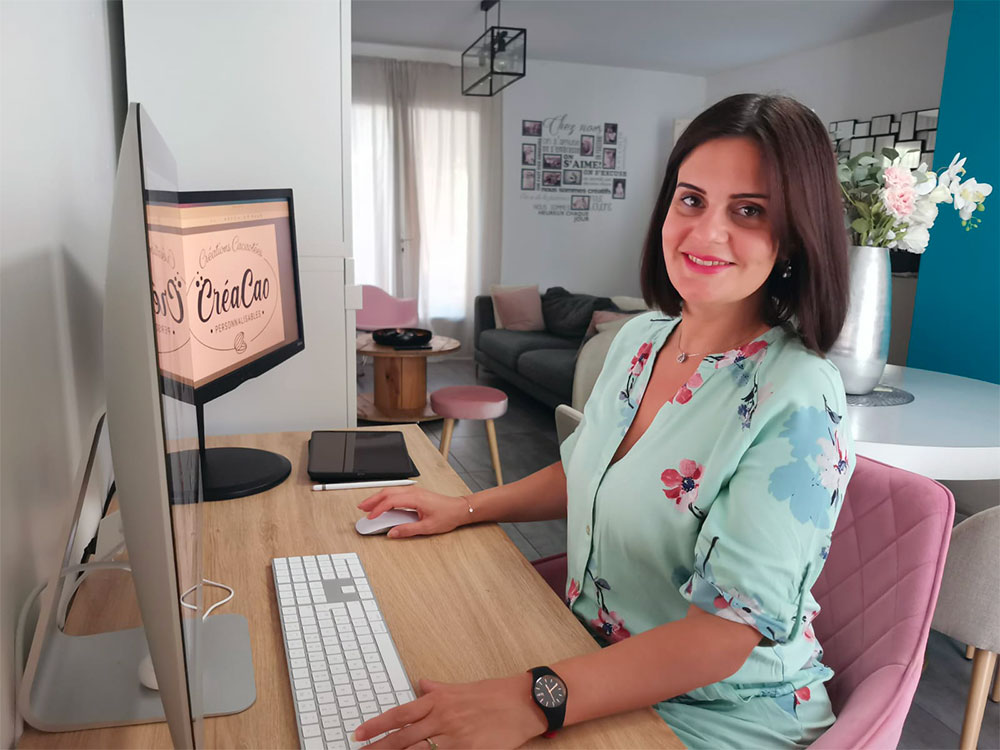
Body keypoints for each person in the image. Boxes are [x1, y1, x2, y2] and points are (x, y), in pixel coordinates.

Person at [353, 93, 855, 750]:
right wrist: (465, 507)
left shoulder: (799, 395)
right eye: (692, 200)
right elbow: (587, 471)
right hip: (590, 658)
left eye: (749, 210)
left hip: (724, 708)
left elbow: (723, 636)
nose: (705, 233)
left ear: (794, 235)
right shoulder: (639, 339)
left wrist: (535, 698)